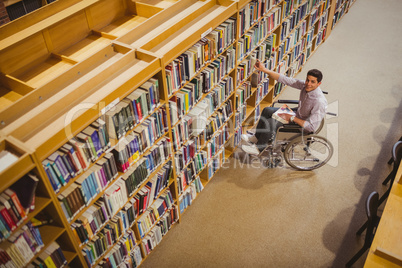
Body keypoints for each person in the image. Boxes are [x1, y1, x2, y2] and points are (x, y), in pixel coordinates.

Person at [242, 60, 328, 155]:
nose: (308, 84)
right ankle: (256, 138)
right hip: (296, 114)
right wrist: (264, 69)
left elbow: (311, 127)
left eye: (313, 82)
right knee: (267, 110)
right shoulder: (305, 85)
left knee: (271, 121)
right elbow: (286, 79)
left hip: (300, 124)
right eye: (308, 80)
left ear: (319, 84)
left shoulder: (319, 101)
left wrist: (293, 118)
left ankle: (258, 149)